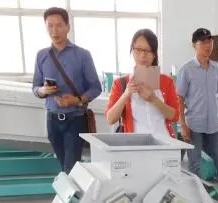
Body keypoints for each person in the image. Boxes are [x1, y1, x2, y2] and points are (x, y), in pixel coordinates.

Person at [177, 28, 218, 203]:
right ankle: (196, 200)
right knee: (194, 165)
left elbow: (216, 95)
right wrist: (182, 124)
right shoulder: (186, 69)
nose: (208, 45)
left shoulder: (215, 69)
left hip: (213, 125)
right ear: (194, 45)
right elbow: (179, 98)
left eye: (209, 41)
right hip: (194, 125)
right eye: (203, 42)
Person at [32, 7, 102, 173]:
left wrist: (77, 100)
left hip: (75, 119)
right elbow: (35, 87)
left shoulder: (82, 55)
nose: (54, 31)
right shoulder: (42, 55)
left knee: (71, 168)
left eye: (59, 25)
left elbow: (96, 87)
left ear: (67, 27)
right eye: (50, 26)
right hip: (52, 120)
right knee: (64, 166)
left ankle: (72, 189)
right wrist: (43, 91)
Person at [105, 29, 180, 137]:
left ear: (154, 54)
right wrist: (126, 94)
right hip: (135, 144)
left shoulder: (167, 82)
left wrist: (153, 99)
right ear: (132, 51)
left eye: (148, 50)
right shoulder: (120, 83)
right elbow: (110, 119)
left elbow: (175, 116)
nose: (142, 55)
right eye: (138, 49)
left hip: (164, 142)